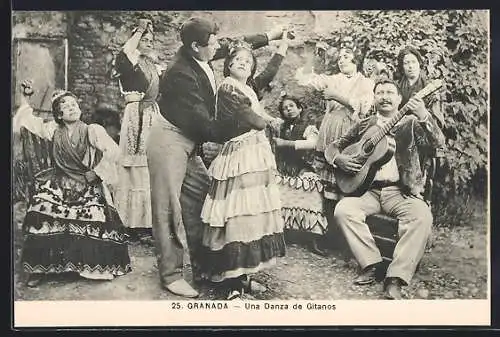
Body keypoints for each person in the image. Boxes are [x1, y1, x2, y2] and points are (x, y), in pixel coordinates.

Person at [146, 16, 288, 298]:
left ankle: (208, 267)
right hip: (170, 140)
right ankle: (171, 274)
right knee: (168, 207)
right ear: (196, 46)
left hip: (190, 139)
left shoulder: (202, 50)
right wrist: (248, 123)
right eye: (213, 43)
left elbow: (237, 45)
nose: (218, 46)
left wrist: (270, 36)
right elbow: (207, 127)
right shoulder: (179, 73)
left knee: (205, 202)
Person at [327, 78, 445, 299]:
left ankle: (396, 277)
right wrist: (339, 160)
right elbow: (333, 147)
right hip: (368, 191)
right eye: (379, 92)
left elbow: (439, 144)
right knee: (344, 210)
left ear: (400, 99)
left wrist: (424, 115)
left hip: (400, 192)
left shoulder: (411, 122)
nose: (385, 97)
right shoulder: (366, 123)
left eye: (390, 92)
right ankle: (371, 264)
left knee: (422, 217)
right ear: (374, 97)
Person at [13, 82, 131, 287]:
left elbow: (114, 152)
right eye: (66, 106)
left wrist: (96, 172)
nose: (72, 108)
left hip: (86, 183)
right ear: (58, 114)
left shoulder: (92, 130)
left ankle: (89, 267)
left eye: (74, 104)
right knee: (41, 207)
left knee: (93, 213)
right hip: (59, 182)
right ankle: (41, 268)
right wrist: (26, 97)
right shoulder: (52, 130)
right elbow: (29, 121)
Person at [199, 37, 289, 300]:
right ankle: (231, 283)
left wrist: (282, 48)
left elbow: (268, 73)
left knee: (252, 213)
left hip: (254, 155)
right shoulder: (227, 89)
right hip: (239, 156)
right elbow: (247, 117)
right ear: (228, 65)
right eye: (237, 60)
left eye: (248, 62)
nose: (243, 63)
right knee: (237, 214)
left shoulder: (246, 86)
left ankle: (244, 276)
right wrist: (268, 120)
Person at [295, 37, 375, 202]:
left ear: (356, 59)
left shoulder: (365, 82)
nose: (341, 61)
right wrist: (311, 58)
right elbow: (306, 80)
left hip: (350, 130)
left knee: (345, 173)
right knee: (326, 179)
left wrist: (336, 97)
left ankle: (344, 211)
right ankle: (325, 214)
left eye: (346, 56)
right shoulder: (333, 79)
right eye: (339, 58)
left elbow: (363, 107)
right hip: (330, 128)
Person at [113, 19, 162, 241]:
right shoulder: (129, 62)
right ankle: (131, 224)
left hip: (153, 115)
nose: (149, 42)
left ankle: (149, 224)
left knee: (151, 168)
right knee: (134, 168)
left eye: (152, 40)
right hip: (136, 115)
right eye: (145, 39)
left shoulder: (154, 66)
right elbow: (125, 51)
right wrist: (140, 28)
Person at [271, 93, 328, 256]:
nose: (288, 110)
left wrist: (287, 144)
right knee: (276, 187)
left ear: (299, 108)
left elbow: (313, 143)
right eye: (285, 108)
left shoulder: (308, 126)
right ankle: (282, 232)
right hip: (286, 168)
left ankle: (313, 237)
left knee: (312, 189)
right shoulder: (281, 126)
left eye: (291, 106)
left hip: (305, 167)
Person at [396, 46, 445, 129]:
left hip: (422, 132)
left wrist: (422, 114)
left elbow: (438, 123)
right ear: (402, 67)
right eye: (406, 63)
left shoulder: (430, 87)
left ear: (419, 63)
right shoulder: (396, 86)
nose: (410, 66)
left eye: (413, 62)